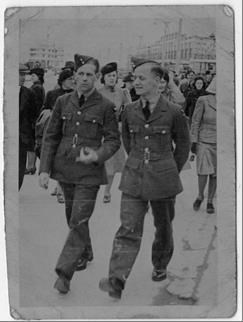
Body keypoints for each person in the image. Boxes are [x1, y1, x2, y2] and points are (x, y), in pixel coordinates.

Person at [99, 59, 190, 299]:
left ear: (159, 82)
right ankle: (116, 279)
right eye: (134, 78)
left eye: (141, 78)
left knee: (163, 227)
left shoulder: (173, 112)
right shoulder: (129, 111)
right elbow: (128, 142)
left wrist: (169, 169)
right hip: (134, 176)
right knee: (128, 228)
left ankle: (160, 263)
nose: (136, 82)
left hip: (163, 178)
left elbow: (183, 145)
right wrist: (138, 161)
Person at [39, 54, 120, 294]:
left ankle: (64, 274)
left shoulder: (105, 106)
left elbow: (114, 140)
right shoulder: (63, 102)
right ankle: (86, 250)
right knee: (73, 218)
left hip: (89, 174)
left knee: (78, 220)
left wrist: (97, 155)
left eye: (89, 75)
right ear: (75, 76)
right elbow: (51, 136)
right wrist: (44, 169)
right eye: (81, 74)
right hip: (65, 171)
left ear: (97, 78)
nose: (84, 78)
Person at [35, 67, 75, 203]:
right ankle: (59, 185)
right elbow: (44, 108)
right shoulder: (52, 93)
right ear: (63, 80)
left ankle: (60, 189)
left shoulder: (76, 94)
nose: (72, 81)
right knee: (56, 159)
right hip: (54, 129)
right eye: (70, 79)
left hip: (68, 130)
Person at [99, 62, 131, 203]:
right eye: (109, 76)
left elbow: (131, 109)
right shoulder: (97, 93)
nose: (112, 78)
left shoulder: (121, 92)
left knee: (111, 164)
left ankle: (107, 191)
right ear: (103, 77)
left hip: (115, 131)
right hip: (99, 131)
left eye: (114, 75)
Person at [190, 77, 217, 214]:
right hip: (204, 140)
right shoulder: (204, 100)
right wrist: (193, 140)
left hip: (220, 143)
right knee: (203, 171)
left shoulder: (230, 102)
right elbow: (195, 121)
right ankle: (200, 195)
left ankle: (210, 201)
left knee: (215, 174)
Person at [19, 63, 36, 190]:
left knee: (19, 170)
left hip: (22, 139)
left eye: (24, 74)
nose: (23, 77)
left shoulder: (28, 93)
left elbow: (32, 116)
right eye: (20, 74)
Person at [25, 67, 45, 175]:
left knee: (30, 143)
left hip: (33, 119)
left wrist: (32, 120)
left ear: (39, 76)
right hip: (36, 119)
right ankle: (31, 166)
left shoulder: (36, 88)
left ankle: (31, 166)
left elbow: (35, 105)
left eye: (33, 75)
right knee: (32, 143)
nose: (31, 77)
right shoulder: (39, 87)